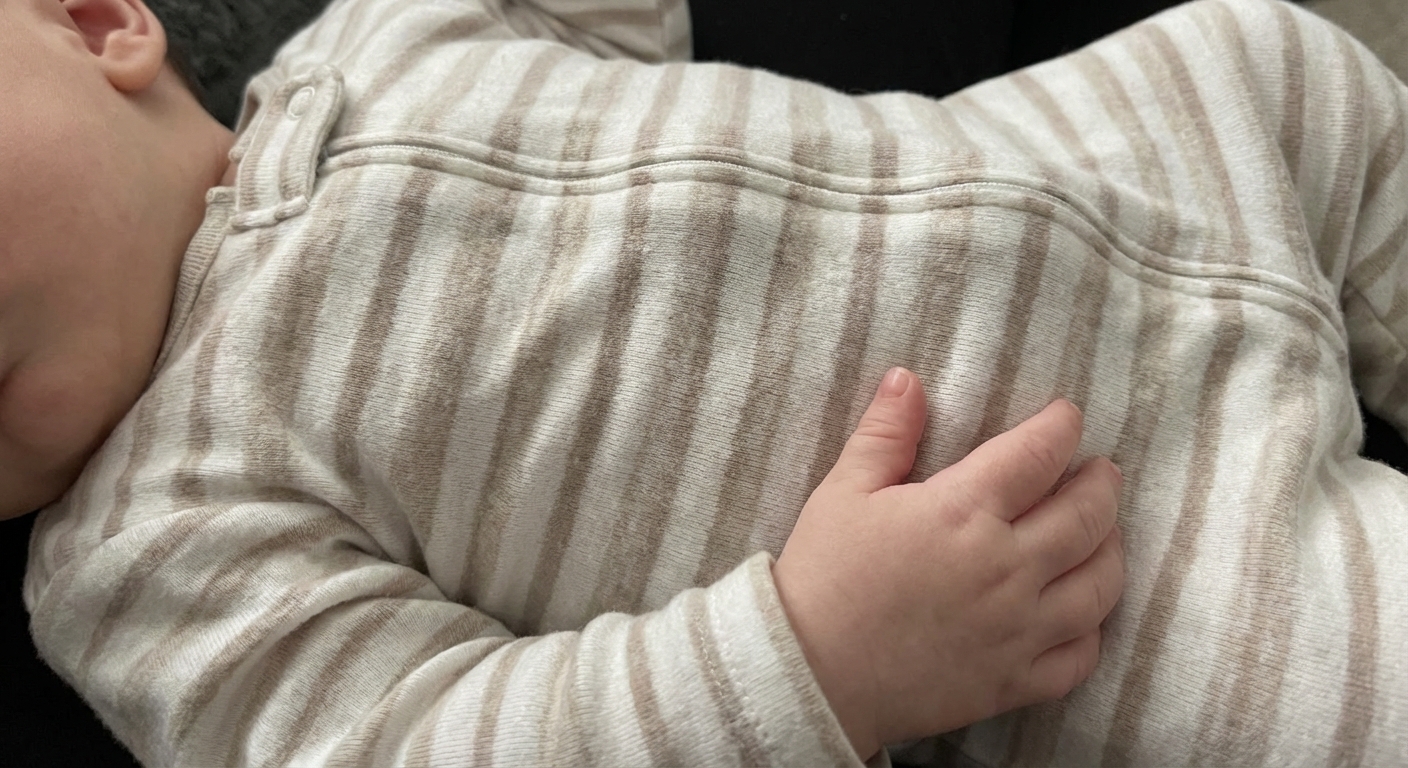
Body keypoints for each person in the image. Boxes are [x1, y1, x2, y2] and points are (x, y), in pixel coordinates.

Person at [5, 0, 1405, 766]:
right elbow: (427, 744)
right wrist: (812, 660)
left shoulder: (373, 37)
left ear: (95, 22)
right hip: (1123, 558)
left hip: (1124, 144)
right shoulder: (150, 554)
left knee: (1292, 64)